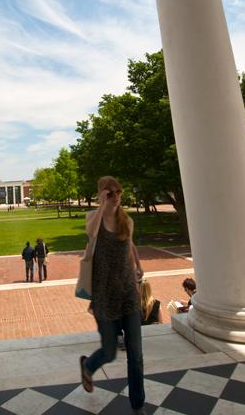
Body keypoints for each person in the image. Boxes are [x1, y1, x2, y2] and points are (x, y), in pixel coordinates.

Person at [79, 176, 146, 414]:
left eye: (118, 192)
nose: (116, 196)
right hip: (104, 294)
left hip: (127, 291)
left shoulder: (126, 220)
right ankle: (88, 365)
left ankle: (138, 404)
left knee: (136, 355)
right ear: (102, 194)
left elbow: (129, 245)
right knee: (109, 352)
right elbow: (90, 232)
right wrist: (101, 205)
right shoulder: (93, 218)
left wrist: (138, 265)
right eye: (110, 193)